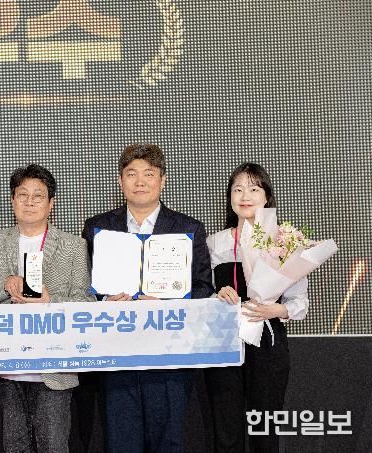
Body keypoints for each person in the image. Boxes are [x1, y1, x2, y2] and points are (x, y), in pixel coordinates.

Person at [81, 143, 214, 453]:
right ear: (120, 181)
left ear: (162, 180)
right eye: (131, 174)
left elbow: (203, 288)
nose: (140, 182)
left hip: (170, 356)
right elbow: (84, 287)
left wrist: (167, 302)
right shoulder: (97, 228)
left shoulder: (188, 228)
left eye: (148, 174)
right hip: (117, 355)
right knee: (120, 444)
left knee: (168, 443)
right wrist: (104, 301)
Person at [0, 164, 93, 453]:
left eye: (38, 196)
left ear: (51, 203)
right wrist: (4, 284)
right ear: (13, 200)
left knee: (53, 447)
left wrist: (50, 301)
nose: (30, 202)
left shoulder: (74, 246)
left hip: (54, 366)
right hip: (8, 367)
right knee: (15, 447)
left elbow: (87, 303)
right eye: (22, 195)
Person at [204, 163, 308, 453]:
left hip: (268, 345)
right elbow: (200, 292)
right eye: (237, 189)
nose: (245, 196)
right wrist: (215, 295)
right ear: (230, 198)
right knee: (226, 430)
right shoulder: (214, 243)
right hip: (224, 344)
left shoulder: (284, 243)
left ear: (266, 197)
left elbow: (300, 302)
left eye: (253, 189)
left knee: (265, 430)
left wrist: (276, 310)